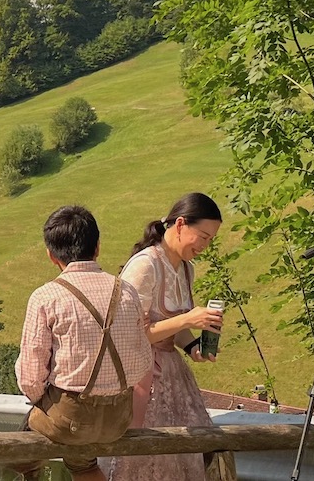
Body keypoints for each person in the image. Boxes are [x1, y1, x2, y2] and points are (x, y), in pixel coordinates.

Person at [15, 205, 152, 481]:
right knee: (83, 464)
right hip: (118, 418)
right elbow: (142, 363)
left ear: (51, 255)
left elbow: (31, 379)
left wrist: (45, 399)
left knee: (18, 458)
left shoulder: (46, 297)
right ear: (98, 247)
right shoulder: (126, 291)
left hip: (69, 417)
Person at [105, 192, 234, 481]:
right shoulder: (145, 266)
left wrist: (192, 346)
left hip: (172, 371)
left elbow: (174, 328)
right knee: (148, 459)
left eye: (210, 240)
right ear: (179, 224)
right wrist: (189, 318)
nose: (205, 246)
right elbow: (129, 335)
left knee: (187, 454)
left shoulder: (186, 269)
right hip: (141, 374)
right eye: (202, 236)